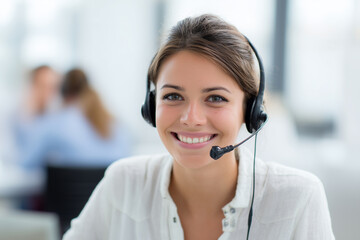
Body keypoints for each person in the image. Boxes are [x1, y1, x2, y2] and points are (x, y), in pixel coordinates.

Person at [63, 14, 334, 240]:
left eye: (215, 98)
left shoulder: (298, 198)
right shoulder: (124, 183)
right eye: (173, 96)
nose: (191, 118)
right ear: (151, 105)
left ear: (250, 110)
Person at [19, 68, 132, 170]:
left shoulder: (54, 124)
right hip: (107, 192)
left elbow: (27, 163)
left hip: (66, 193)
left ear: (62, 94)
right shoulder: (115, 124)